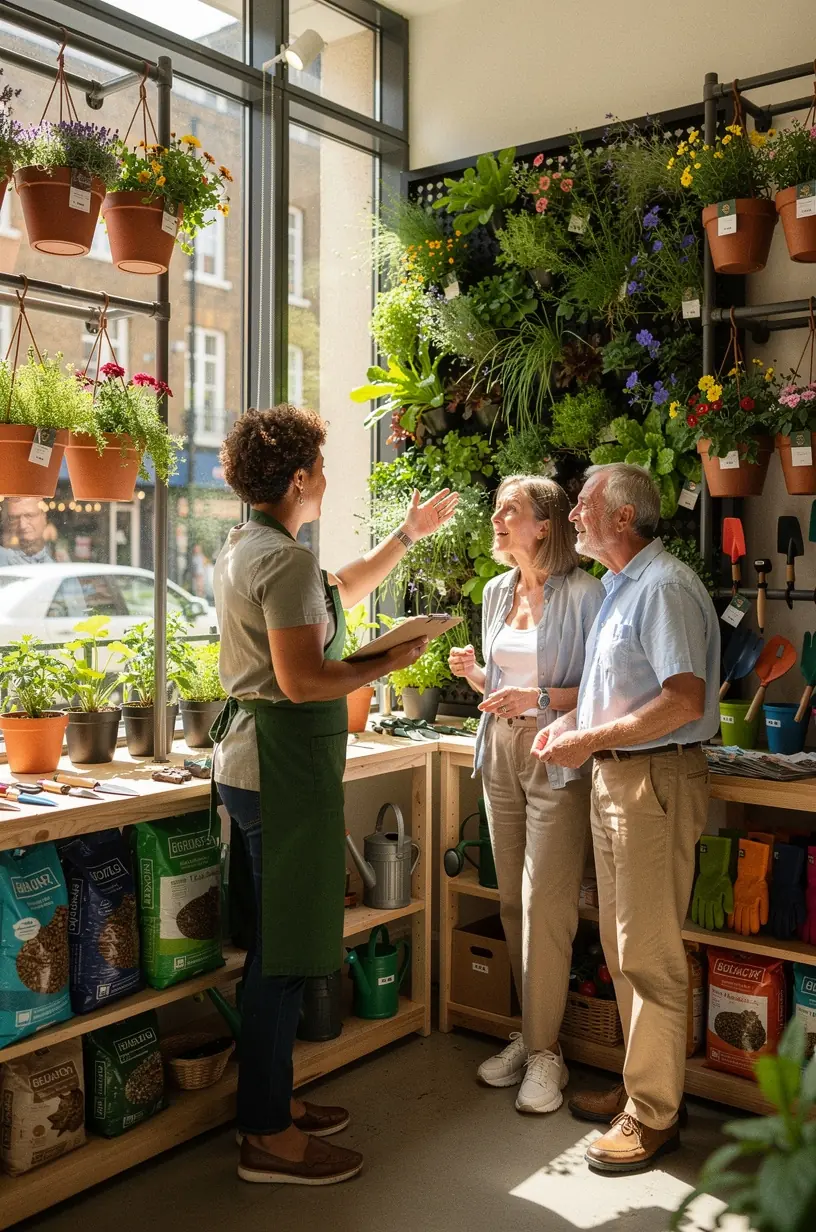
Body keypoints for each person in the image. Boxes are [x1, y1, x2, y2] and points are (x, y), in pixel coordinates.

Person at [212, 405, 458, 1187]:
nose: (328, 475)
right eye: (320, 464)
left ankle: (271, 1103)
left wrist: (407, 537)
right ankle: (266, 1136)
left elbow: (340, 589)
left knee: (274, 951)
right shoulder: (280, 561)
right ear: (297, 478)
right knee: (284, 959)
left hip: (256, 765)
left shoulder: (257, 545)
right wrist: (389, 663)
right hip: (279, 769)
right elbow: (303, 679)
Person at [532, 462, 719, 1174]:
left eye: (582, 504)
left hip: (653, 783)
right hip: (620, 780)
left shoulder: (664, 587)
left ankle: (655, 1114)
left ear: (621, 517)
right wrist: (569, 722)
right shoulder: (621, 588)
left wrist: (588, 738)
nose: (572, 515)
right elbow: (621, 695)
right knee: (621, 947)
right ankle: (644, 1086)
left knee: (648, 952)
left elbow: (682, 699)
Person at [449, 475, 603, 1115]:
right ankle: (532, 1037)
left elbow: (600, 687)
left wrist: (536, 701)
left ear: (544, 524)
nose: (496, 518)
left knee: (547, 905)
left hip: (555, 755)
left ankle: (546, 1056)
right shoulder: (495, 592)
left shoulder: (585, 593)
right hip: (500, 755)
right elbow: (503, 683)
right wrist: (475, 675)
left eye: (508, 511)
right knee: (512, 898)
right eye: (495, 510)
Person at [0, 497, 54, 566]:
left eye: (30, 515)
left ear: (44, 517)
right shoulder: (3, 559)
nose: (23, 525)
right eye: (14, 518)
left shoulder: (59, 558)